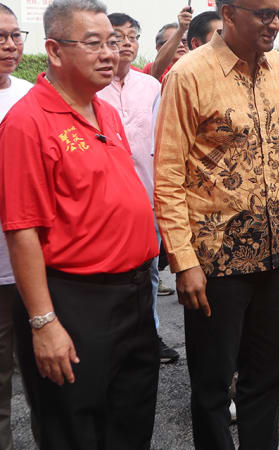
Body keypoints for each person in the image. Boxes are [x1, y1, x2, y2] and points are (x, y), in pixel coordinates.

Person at [154, 0, 279, 450]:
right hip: (215, 259)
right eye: (263, 12)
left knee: (266, 376)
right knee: (211, 383)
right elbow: (167, 175)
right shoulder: (189, 74)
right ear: (227, 12)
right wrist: (183, 262)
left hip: (277, 251)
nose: (273, 23)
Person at [0, 0, 160, 450]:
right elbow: (22, 230)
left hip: (133, 295)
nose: (110, 53)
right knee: (75, 438)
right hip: (76, 301)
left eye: (112, 41)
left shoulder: (103, 110)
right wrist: (44, 323)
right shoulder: (27, 124)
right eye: (93, 44)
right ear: (53, 50)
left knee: (129, 429)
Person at [97, 12, 180, 365]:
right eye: (118, 36)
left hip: (147, 200)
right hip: (102, 205)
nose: (126, 42)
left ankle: (150, 334)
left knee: (147, 274)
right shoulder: (93, 88)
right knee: (105, 278)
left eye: (133, 36)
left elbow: (165, 143)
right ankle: (104, 340)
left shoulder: (152, 87)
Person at [0, 4, 30, 450]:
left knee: (54, 376)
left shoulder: (31, 96)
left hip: (39, 265)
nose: (8, 45)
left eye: (13, 35)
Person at [142, 6, 191, 81]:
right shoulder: (152, 68)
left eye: (184, 41)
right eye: (176, 41)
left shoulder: (195, 67)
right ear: (159, 47)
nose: (181, 45)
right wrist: (181, 30)